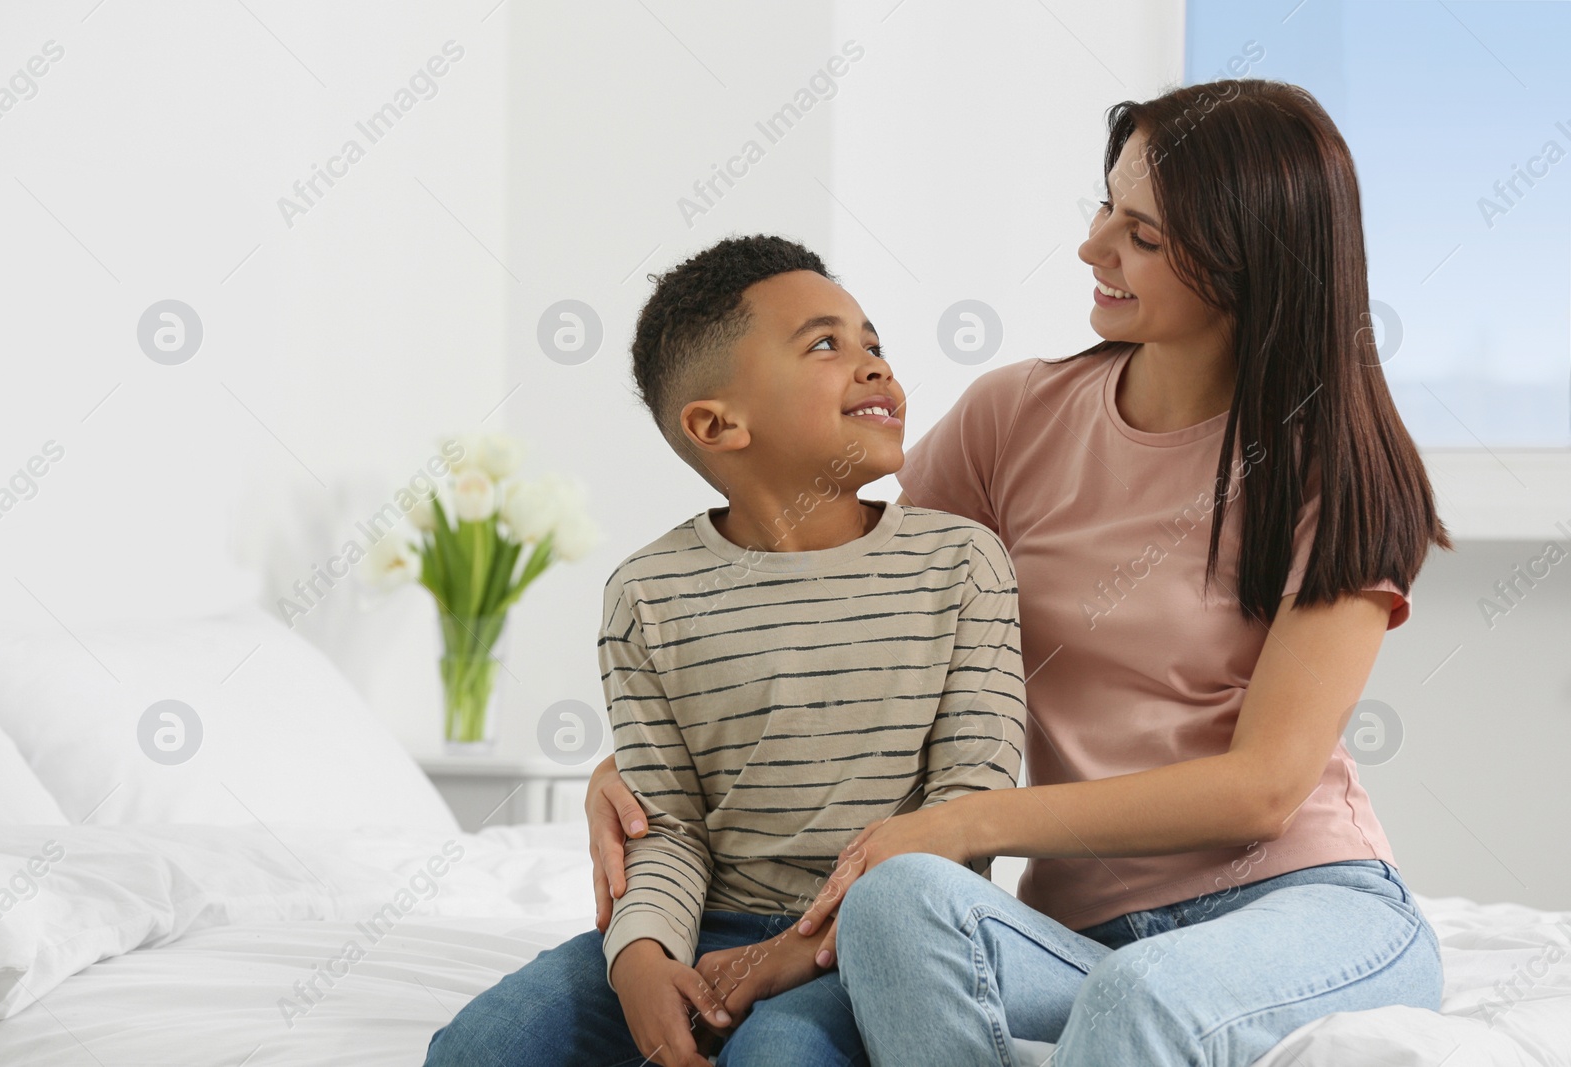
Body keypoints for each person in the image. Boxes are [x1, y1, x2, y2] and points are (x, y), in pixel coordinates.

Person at [586, 79, 1452, 1066]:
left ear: (1245, 257)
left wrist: (963, 819)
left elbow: (1262, 788)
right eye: (1105, 206)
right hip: (1076, 933)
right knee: (898, 900)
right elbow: (861, 609)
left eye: (1143, 235)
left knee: (1140, 994)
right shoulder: (1018, 417)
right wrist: (649, 765)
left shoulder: (1330, 465)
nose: (1093, 246)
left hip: (1306, 905)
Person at [424, 234, 1028, 1067]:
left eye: (874, 343)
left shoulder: (961, 562)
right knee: (482, 1047)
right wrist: (641, 959)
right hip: (708, 919)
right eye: (826, 344)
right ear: (717, 423)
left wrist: (798, 952)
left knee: (776, 1056)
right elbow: (664, 821)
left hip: (884, 938)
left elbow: (973, 803)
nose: (873, 365)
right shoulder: (648, 594)